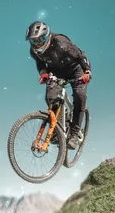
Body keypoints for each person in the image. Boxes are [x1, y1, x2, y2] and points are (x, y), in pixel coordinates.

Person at [25, 21, 92, 150]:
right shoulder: (34, 52)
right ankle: (58, 127)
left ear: (46, 36)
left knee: (79, 96)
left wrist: (87, 72)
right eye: (33, 41)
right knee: (51, 97)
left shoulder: (62, 43)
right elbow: (40, 63)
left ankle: (74, 133)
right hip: (57, 72)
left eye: (39, 39)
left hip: (75, 70)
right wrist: (43, 73)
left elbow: (81, 56)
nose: (37, 43)